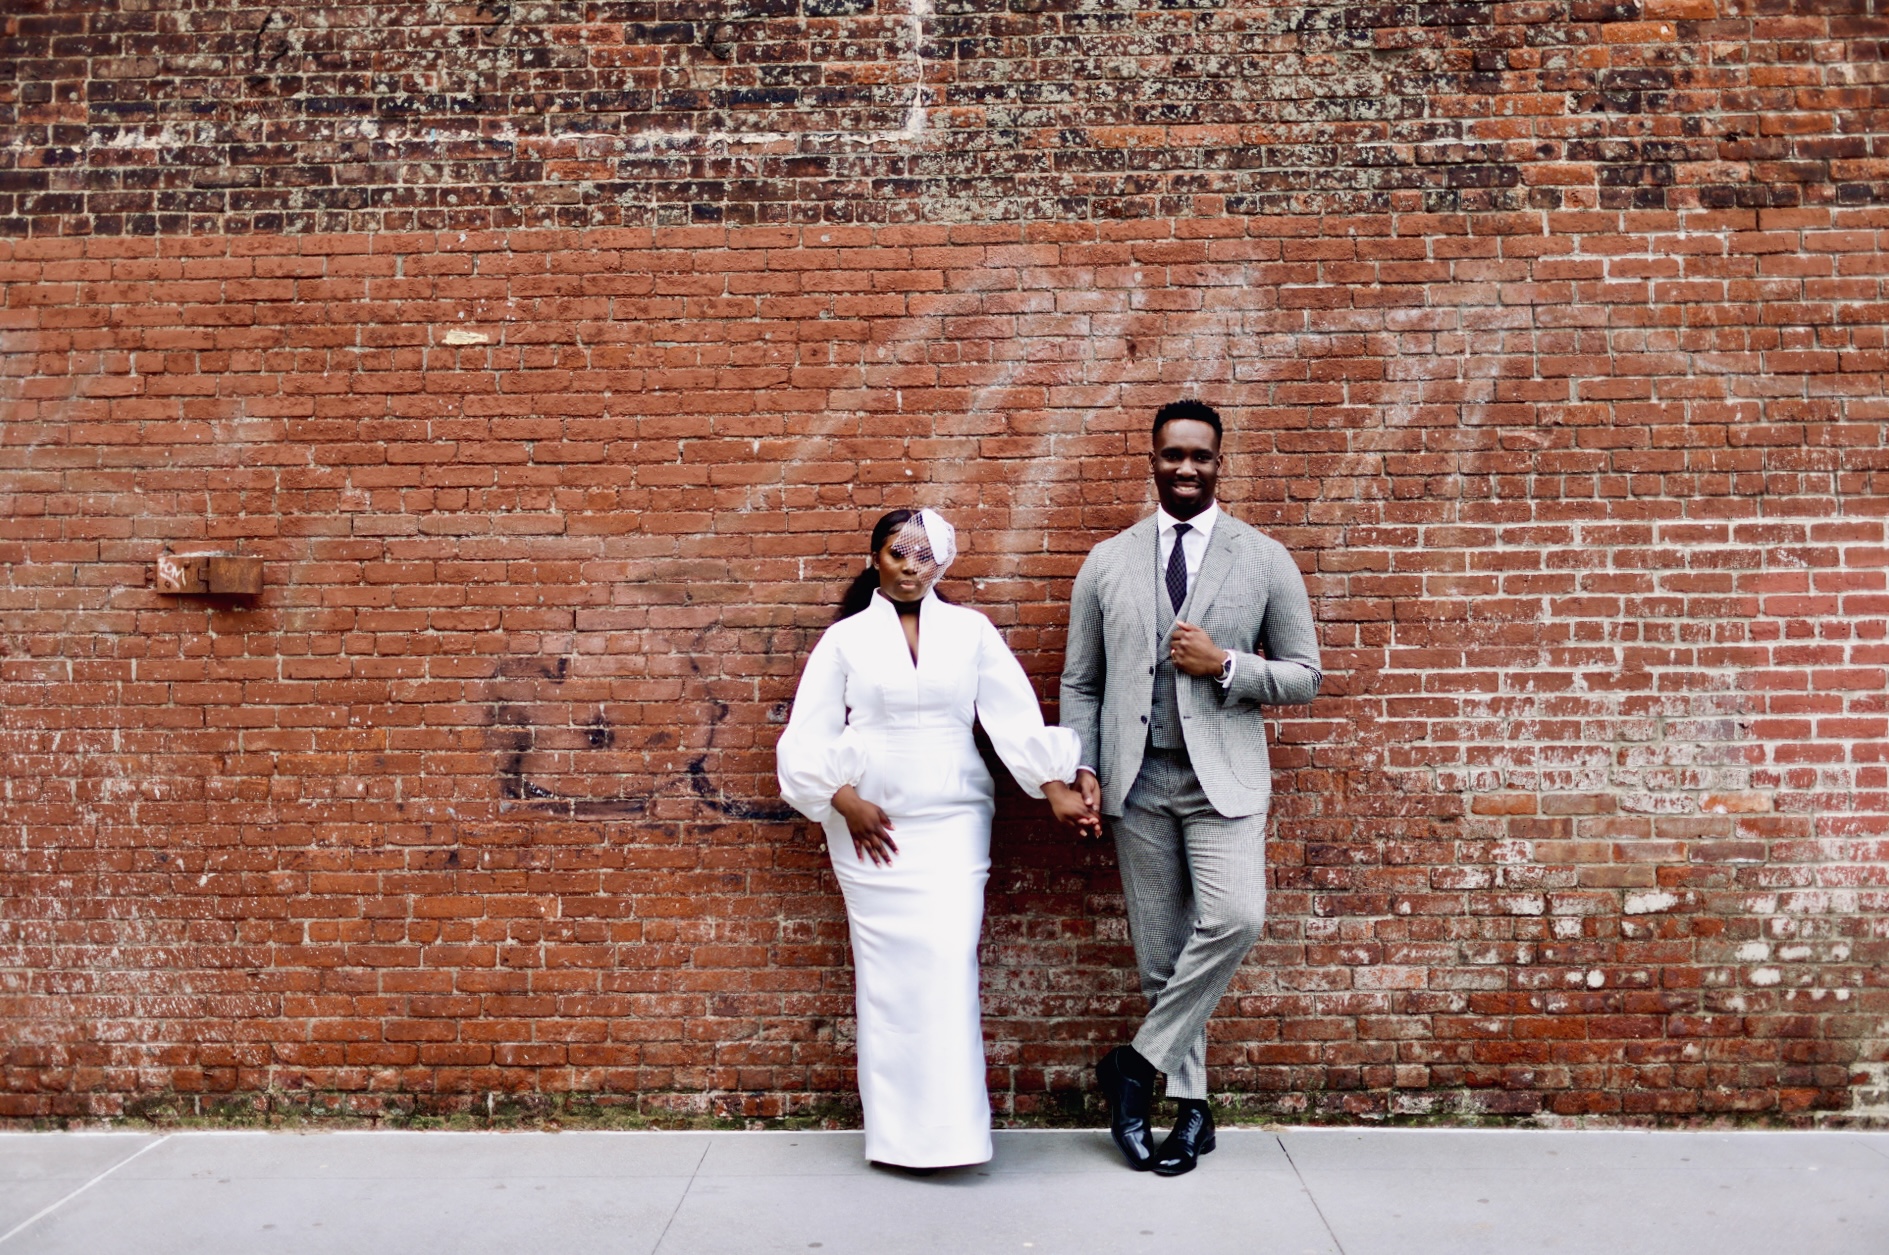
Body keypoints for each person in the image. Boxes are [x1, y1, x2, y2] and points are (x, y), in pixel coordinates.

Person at [776, 507, 1094, 1171]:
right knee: (888, 980)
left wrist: (1055, 787)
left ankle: (953, 1138)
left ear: (939, 562)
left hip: (953, 821)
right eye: (897, 552)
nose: (910, 565)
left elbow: (1010, 715)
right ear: (875, 558)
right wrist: (843, 800)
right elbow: (804, 737)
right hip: (871, 829)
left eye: (923, 554)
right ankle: (895, 1140)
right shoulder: (844, 641)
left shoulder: (970, 633)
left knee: (949, 965)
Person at [1060, 400, 1322, 1176]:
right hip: (1136, 784)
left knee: (1236, 917)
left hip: (1224, 782)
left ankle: (1133, 1068)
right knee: (1162, 957)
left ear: (1219, 462)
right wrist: (1083, 767)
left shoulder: (1265, 557)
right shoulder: (1106, 560)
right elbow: (1081, 682)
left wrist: (1229, 666)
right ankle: (1191, 1111)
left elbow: (1306, 675)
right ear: (1151, 459)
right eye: (1171, 455)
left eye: (1199, 457)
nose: (1185, 468)